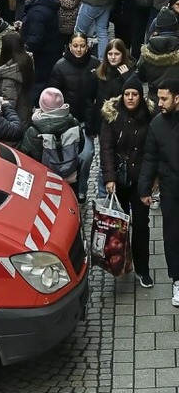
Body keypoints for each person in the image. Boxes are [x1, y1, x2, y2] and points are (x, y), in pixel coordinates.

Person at [101, 74, 153, 288]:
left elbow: (152, 151)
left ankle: (143, 269)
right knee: (120, 225)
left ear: (141, 97)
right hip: (120, 180)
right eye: (127, 94)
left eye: (134, 94)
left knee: (141, 225)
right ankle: (121, 262)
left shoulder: (149, 117)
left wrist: (152, 180)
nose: (130, 98)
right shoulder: (112, 117)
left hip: (140, 180)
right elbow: (106, 148)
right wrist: (109, 177)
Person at [139, 76, 179, 304]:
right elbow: (150, 159)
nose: (159, 102)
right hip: (171, 189)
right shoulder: (157, 125)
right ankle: (177, 280)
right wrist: (145, 189)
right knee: (173, 236)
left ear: (177, 98)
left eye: (164, 98)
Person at [50, 32, 98, 203]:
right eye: (75, 45)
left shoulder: (95, 64)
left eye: (82, 45)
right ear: (70, 46)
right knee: (69, 157)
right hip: (68, 122)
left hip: (87, 120)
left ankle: (82, 187)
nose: (79, 49)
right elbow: (54, 95)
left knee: (86, 156)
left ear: (87, 46)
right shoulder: (60, 67)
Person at [22, 87, 83, 190]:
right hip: (70, 176)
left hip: (45, 180)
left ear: (41, 105)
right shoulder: (74, 123)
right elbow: (80, 146)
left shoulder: (34, 131)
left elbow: (27, 156)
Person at [20, 0, 64, 100]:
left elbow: (34, 41)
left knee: (38, 88)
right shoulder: (43, 4)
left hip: (42, 60)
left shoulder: (37, 12)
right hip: (51, 54)